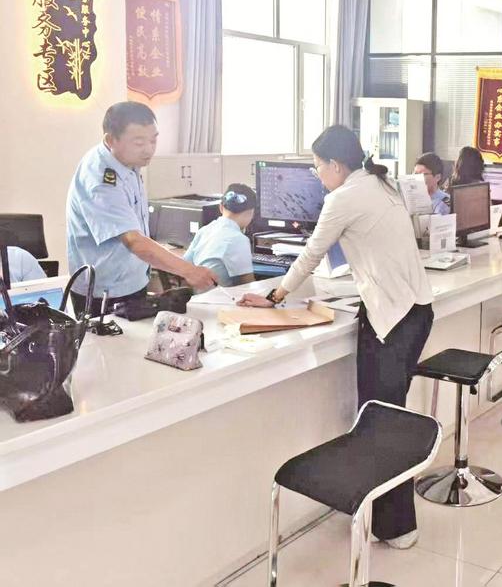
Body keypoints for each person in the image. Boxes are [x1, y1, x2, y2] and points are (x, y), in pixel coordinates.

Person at [238, 125, 433, 549]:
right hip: (416, 313)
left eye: (317, 167)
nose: (316, 175)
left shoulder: (344, 197)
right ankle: (382, 517)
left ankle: (397, 527)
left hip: (391, 320)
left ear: (336, 165)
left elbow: (311, 254)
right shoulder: (381, 184)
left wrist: (275, 296)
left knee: (380, 424)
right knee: (391, 419)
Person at [66, 102, 216, 315]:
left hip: (132, 281)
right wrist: (188, 271)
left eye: (153, 140)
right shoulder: (100, 179)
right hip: (104, 291)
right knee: (108, 338)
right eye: (139, 142)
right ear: (111, 140)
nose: (149, 149)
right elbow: (133, 241)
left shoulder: (126, 161)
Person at [183, 184, 257, 287]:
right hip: (219, 296)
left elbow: (185, 264)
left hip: (196, 294)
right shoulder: (239, 239)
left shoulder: (204, 230)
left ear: (221, 207)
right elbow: (247, 283)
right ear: (250, 213)